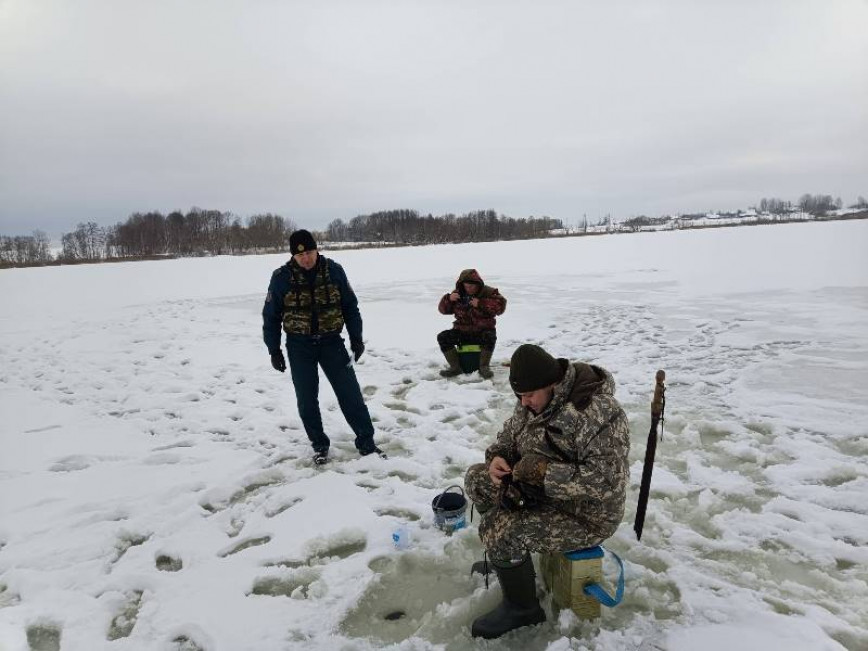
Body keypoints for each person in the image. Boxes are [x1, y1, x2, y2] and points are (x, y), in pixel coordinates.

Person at [463, 344, 630, 639]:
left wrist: (544, 473)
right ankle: (510, 561)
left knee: (501, 530)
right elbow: (508, 436)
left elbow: (608, 482)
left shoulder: (597, 411)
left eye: (529, 395)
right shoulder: (531, 400)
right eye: (519, 395)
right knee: (477, 479)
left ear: (552, 383)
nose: (523, 402)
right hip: (539, 490)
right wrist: (498, 457)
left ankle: (522, 607)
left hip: (586, 514)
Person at [262, 229, 384, 465]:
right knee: (307, 400)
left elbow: (350, 307)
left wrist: (356, 338)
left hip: (331, 342)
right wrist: (274, 349)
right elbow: (271, 316)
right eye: (300, 255)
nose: (306, 258)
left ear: (316, 249)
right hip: (299, 346)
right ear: (293, 256)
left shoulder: (334, 270)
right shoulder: (281, 278)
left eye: (309, 252)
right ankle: (319, 446)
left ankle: (367, 444)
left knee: (350, 395)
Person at [437, 269, 506, 379]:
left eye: (471, 286)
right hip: (462, 331)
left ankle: (484, 367)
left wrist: (481, 303)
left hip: (482, 332)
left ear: (478, 284)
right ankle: (455, 367)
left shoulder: (489, 292)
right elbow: (443, 310)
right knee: (443, 337)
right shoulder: (457, 293)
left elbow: (500, 307)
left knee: (490, 336)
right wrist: (448, 299)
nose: (469, 289)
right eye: (466, 286)